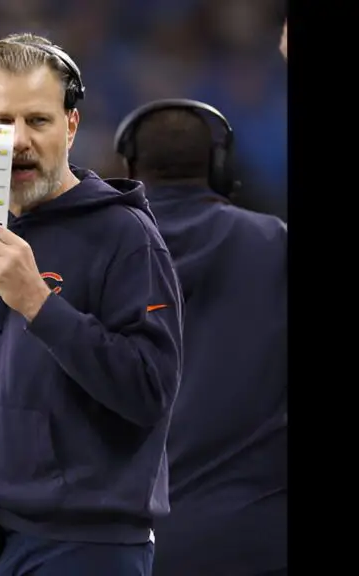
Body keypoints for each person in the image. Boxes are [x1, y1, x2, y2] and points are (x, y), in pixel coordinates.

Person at [0, 33, 184, 576]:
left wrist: (38, 301)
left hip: (82, 548)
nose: (17, 140)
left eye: (38, 120)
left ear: (71, 126)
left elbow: (150, 392)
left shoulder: (125, 238)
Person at [113, 100, 287, 576]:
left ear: (129, 167)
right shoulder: (274, 243)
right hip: (256, 537)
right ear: (220, 166)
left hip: (119, 543)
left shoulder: (94, 252)